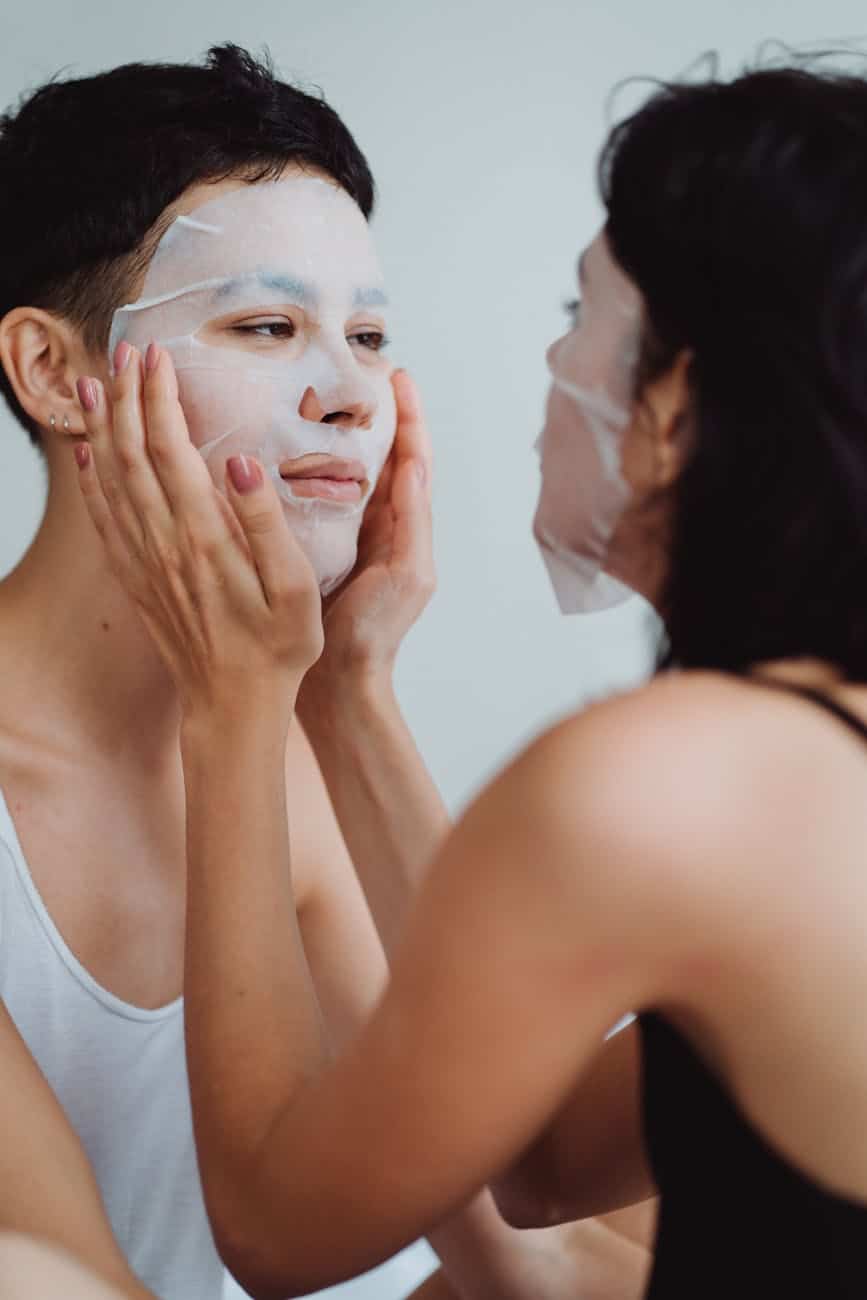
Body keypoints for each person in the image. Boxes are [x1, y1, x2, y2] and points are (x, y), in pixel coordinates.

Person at [73, 59, 867, 1300]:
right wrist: (346, 690)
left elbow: (280, 1229)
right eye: (271, 326)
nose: (352, 395)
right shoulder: (808, 753)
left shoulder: (663, 778)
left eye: (581, 312)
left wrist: (241, 708)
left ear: (675, 405)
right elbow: (538, 1154)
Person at [0, 41, 650, 1300]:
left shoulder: (285, 763)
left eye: (366, 333)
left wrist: (347, 686)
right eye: (265, 324)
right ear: (52, 373)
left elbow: (532, 1236)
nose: (352, 393)